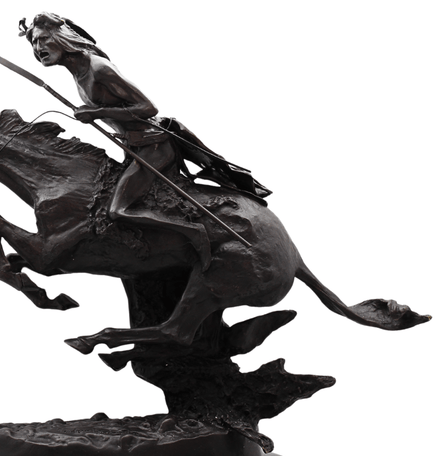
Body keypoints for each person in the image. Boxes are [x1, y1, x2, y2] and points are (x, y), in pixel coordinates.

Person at [19, 13, 270, 270]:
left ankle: (195, 233)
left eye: (43, 40)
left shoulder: (98, 69)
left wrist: (97, 112)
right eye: (34, 43)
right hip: (134, 147)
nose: (38, 48)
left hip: (154, 145)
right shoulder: (78, 72)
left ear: (61, 38)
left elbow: (148, 107)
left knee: (118, 210)